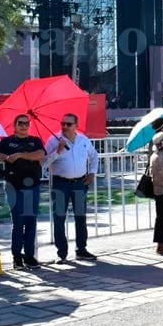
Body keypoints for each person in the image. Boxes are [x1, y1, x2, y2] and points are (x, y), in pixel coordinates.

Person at [0, 115, 46, 269]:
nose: (24, 126)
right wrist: (2, 155)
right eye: (20, 123)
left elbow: (40, 154)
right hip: (14, 186)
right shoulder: (6, 141)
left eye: (26, 123)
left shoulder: (35, 141)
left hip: (33, 185)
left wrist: (20, 155)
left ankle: (30, 256)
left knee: (31, 221)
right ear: (14, 125)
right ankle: (17, 257)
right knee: (18, 222)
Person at [44, 113, 99, 263]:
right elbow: (43, 163)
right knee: (59, 218)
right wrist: (58, 151)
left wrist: (92, 172)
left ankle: (81, 249)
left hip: (80, 182)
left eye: (68, 124)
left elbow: (94, 156)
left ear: (76, 125)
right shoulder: (53, 140)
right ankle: (61, 253)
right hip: (61, 183)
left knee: (80, 217)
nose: (65, 127)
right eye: (63, 124)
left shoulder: (83, 140)